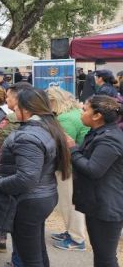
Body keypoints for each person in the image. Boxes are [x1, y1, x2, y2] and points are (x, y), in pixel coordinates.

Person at [0, 88, 70, 267]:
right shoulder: (48, 128)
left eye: (15, 107)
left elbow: (26, 178)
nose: (12, 109)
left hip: (29, 201)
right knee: (38, 250)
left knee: (31, 257)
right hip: (42, 196)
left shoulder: (29, 136)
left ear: (27, 109)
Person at [68, 95, 123, 267]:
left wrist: (72, 148)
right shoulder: (98, 132)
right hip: (97, 203)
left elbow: (93, 169)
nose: (82, 113)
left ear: (98, 115)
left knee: (107, 259)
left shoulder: (110, 138)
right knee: (101, 255)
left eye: (85, 109)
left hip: (108, 206)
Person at [0, 82, 33, 267]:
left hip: (9, 174)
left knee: (14, 217)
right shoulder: (45, 122)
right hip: (35, 186)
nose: (8, 99)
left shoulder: (11, 119)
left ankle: (18, 263)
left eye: (10, 96)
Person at [46, 87, 89, 252]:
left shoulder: (65, 119)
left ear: (54, 102)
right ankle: (71, 233)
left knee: (70, 203)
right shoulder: (75, 113)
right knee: (70, 202)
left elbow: (62, 148)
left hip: (69, 167)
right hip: (77, 165)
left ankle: (76, 238)